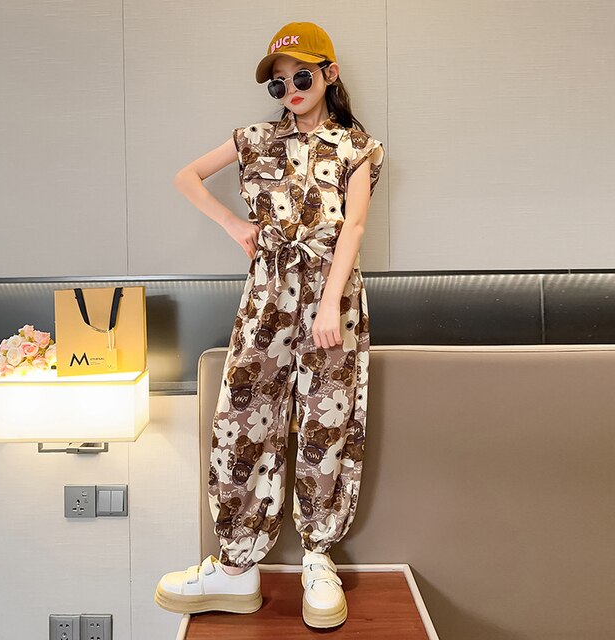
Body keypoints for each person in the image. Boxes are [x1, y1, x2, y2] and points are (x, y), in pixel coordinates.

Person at [154, 21, 385, 629]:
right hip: (267, 295)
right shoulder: (255, 139)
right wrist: (236, 226)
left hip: (333, 295)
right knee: (244, 416)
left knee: (328, 420)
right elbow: (185, 177)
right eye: (278, 83)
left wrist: (330, 303)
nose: (290, 90)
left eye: (300, 76)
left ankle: (318, 558)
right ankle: (237, 568)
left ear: (329, 74)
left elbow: (354, 227)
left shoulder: (358, 146)